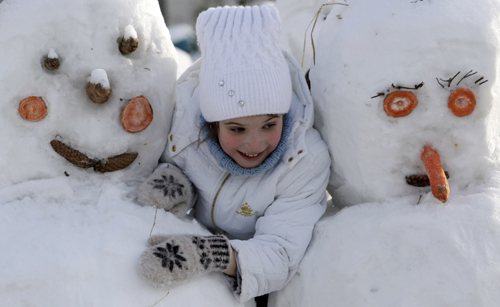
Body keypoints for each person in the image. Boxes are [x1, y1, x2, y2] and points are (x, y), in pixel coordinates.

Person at [137, 5, 331, 304]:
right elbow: (168, 159)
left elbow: (280, 250)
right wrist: (175, 182)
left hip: (255, 278)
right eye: (237, 129)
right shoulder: (185, 124)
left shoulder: (304, 159)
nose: (255, 145)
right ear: (212, 122)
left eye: (269, 125)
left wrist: (215, 254)